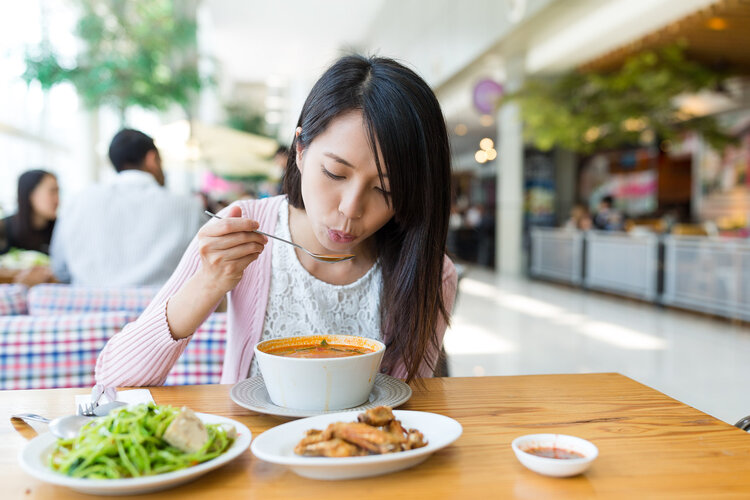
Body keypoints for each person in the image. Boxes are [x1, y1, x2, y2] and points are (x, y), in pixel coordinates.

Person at [95, 55, 458, 386]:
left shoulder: (428, 271)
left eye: (385, 191)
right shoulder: (245, 225)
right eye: (335, 173)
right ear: (299, 150)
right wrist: (208, 282)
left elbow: (405, 409)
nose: (351, 208)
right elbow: (115, 379)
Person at [50, 129, 204, 287]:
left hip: (86, 308)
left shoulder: (77, 202)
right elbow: (206, 266)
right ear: (151, 159)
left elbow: (60, 269)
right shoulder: (188, 207)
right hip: (167, 309)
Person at [0, 169, 59, 255]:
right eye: (52, 192)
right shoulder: (4, 228)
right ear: (31, 194)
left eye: (58, 192)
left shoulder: (60, 229)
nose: (57, 200)